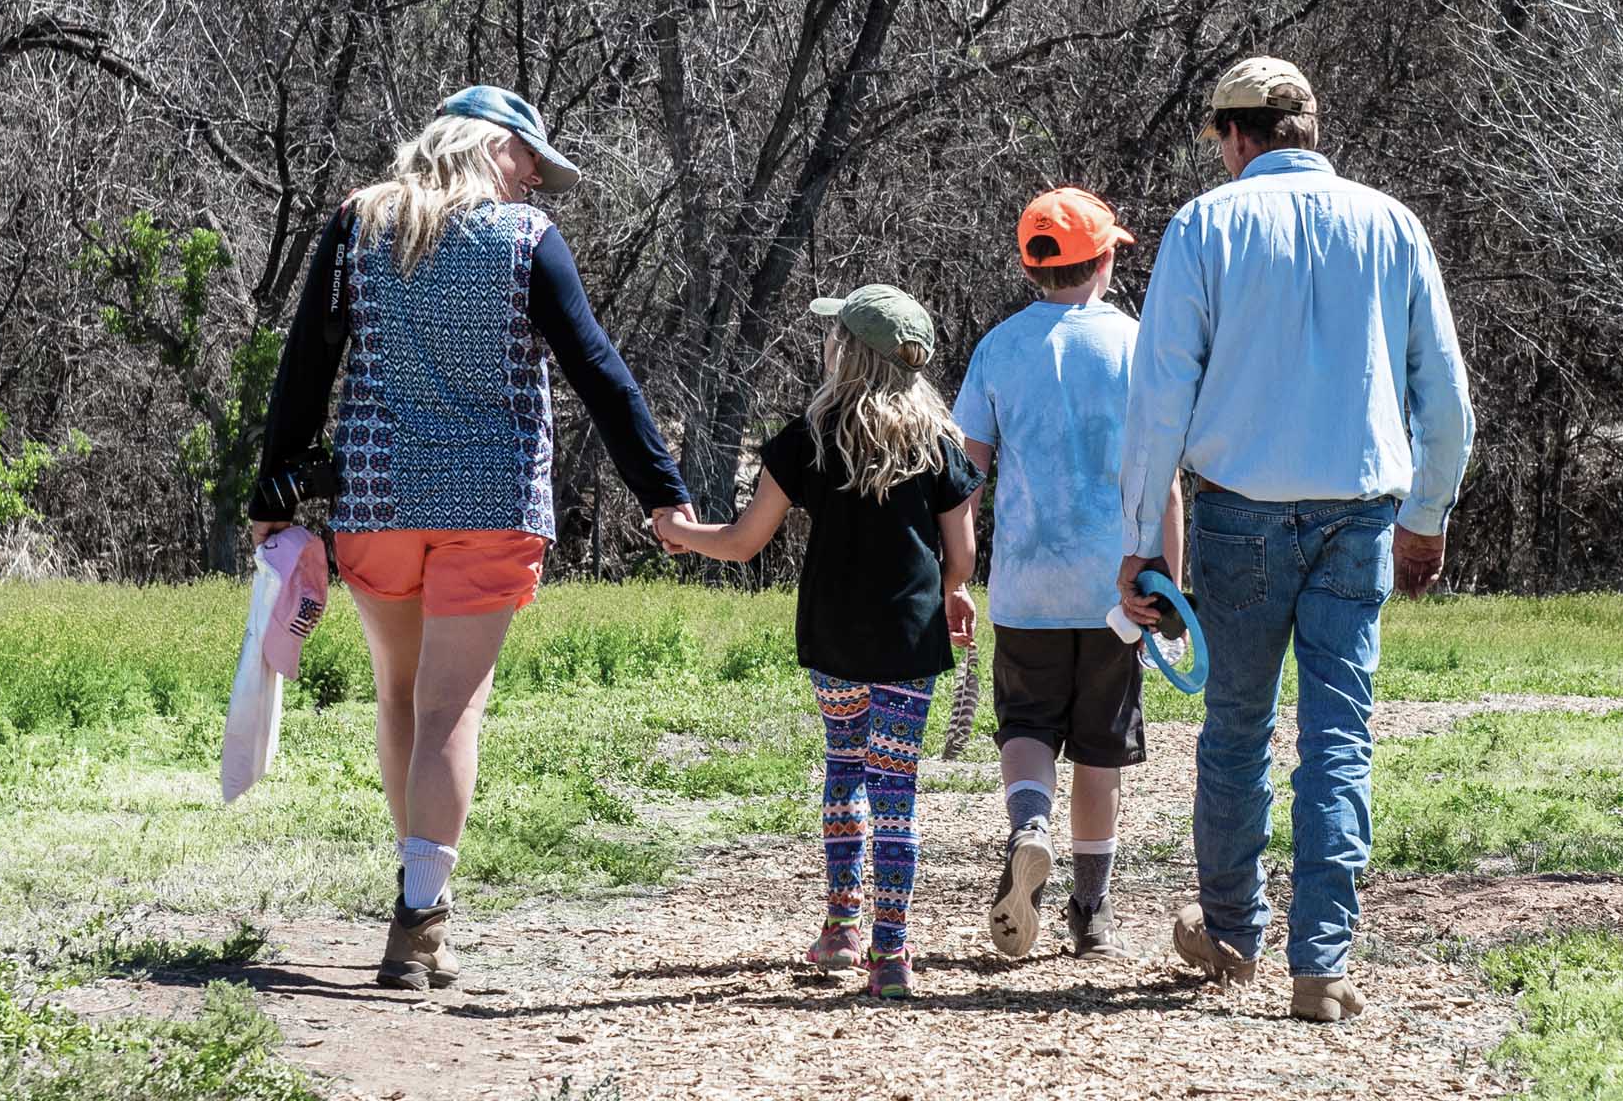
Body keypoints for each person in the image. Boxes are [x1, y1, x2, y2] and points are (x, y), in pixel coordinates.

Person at [247, 84, 694, 993]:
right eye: (532, 161)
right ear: (494, 149)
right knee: (450, 711)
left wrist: (275, 487)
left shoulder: (357, 225)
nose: (536, 180)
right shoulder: (526, 242)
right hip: (491, 506)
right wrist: (662, 495)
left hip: (376, 503)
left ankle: (416, 892)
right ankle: (418, 916)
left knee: (401, 700)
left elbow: (307, 359)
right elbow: (598, 370)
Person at [1116, 56, 1475, 1024]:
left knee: (1236, 729)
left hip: (1237, 511)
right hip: (1362, 513)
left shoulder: (1206, 226)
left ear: (1238, 137)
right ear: (1307, 129)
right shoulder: (1393, 224)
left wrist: (1142, 534)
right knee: (1340, 735)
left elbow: (1158, 401)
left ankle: (1233, 932)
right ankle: (1324, 961)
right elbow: (1447, 401)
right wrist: (1427, 518)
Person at [656, 284, 979, 1001]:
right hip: (910, 638)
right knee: (897, 790)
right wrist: (952, 590)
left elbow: (743, 544)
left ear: (848, 353)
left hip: (832, 634)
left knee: (844, 769)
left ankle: (841, 928)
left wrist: (679, 532)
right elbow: (961, 559)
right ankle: (891, 955)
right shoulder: (939, 445)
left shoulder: (808, 438)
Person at [952, 186, 1183, 962]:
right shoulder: (1135, 344)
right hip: (1119, 590)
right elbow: (1166, 479)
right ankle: (1091, 911)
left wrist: (957, 573)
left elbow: (964, 477)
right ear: (1108, 257)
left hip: (1025, 586)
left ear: (1032, 268)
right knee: (1100, 750)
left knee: (1024, 728)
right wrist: (1169, 586)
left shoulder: (998, 348)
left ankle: (1029, 826)